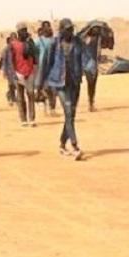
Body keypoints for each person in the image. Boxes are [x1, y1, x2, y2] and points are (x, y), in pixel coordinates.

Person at [41, 18, 86, 160]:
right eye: (67, 29)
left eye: (71, 29)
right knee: (68, 112)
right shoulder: (54, 44)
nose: (70, 32)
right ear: (61, 30)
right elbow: (45, 63)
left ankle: (62, 143)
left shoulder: (78, 42)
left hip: (75, 82)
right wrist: (41, 84)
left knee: (71, 115)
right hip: (59, 83)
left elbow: (84, 57)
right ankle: (75, 145)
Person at [11, 22, 38, 127]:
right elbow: (11, 60)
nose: (24, 32)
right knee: (20, 98)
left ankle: (32, 118)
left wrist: (30, 42)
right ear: (18, 32)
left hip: (29, 73)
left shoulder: (30, 43)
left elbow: (35, 56)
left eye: (25, 30)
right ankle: (23, 119)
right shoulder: (13, 45)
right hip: (18, 74)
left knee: (31, 96)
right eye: (22, 31)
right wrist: (13, 73)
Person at [35, 22, 57, 116]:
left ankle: (52, 109)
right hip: (42, 69)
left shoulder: (54, 40)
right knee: (43, 88)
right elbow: (33, 51)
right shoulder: (39, 41)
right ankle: (46, 107)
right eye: (45, 27)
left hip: (53, 68)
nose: (47, 28)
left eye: (48, 26)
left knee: (53, 89)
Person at [0, 34, 18, 106]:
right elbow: (3, 60)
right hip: (9, 71)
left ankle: (12, 97)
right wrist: (2, 71)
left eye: (15, 39)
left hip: (17, 70)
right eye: (13, 39)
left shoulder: (18, 47)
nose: (14, 40)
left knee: (16, 85)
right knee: (11, 85)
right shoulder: (6, 49)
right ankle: (11, 98)